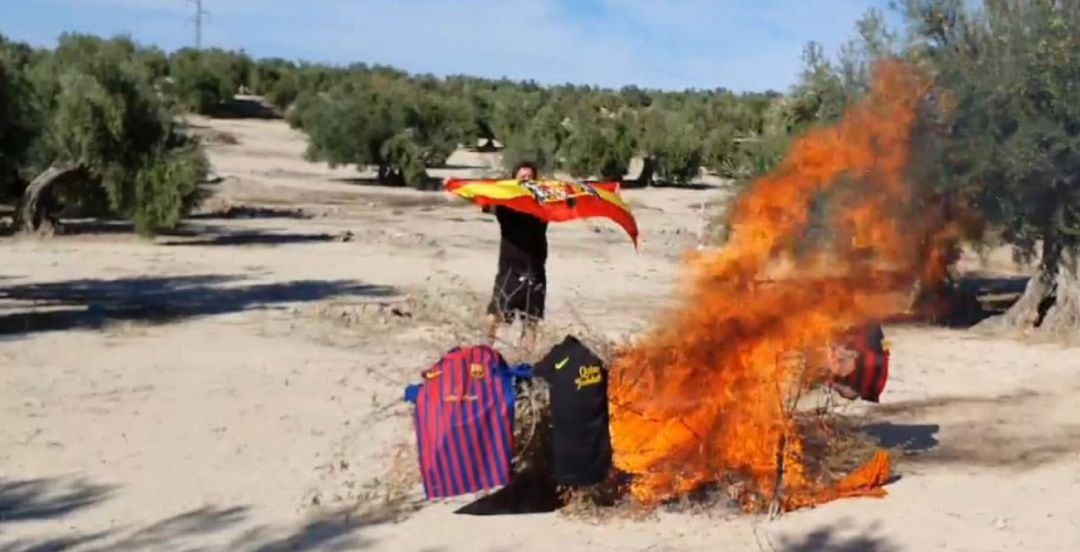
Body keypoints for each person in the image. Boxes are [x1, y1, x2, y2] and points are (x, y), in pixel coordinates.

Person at [484, 162, 548, 349]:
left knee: (531, 323)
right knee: (494, 316)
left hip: (535, 271)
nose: (527, 180)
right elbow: (485, 201)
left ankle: (526, 361)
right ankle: (485, 352)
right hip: (509, 271)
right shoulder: (505, 206)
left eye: (530, 177)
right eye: (522, 177)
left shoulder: (543, 206)